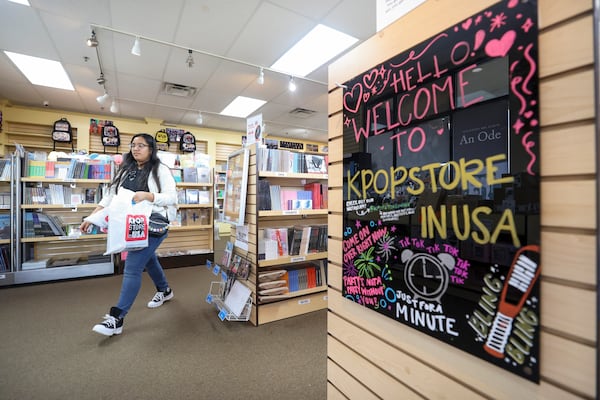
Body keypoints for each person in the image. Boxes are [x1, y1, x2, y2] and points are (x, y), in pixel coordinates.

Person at [81, 133, 177, 336]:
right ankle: (165, 291)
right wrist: (92, 217)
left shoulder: (160, 169)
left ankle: (117, 318)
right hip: (133, 223)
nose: (136, 149)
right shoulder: (126, 169)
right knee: (148, 259)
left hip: (154, 223)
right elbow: (110, 195)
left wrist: (148, 195)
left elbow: (171, 197)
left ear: (151, 149)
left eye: (141, 145)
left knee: (132, 266)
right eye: (133, 145)